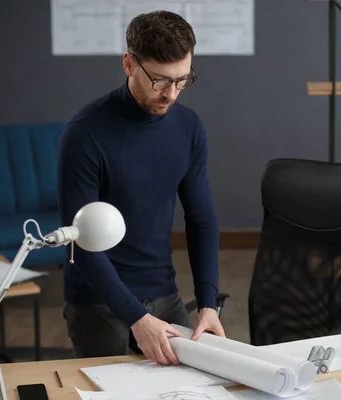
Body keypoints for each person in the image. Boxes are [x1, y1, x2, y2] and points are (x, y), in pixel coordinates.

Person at [57, 10, 225, 366]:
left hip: (163, 293)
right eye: (161, 81)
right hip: (98, 301)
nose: (172, 94)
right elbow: (80, 243)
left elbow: (202, 220)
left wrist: (208, 303)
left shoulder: (189, 127)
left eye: (183, 80)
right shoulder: (84, 134)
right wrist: (135, 317)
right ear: (129, 63)